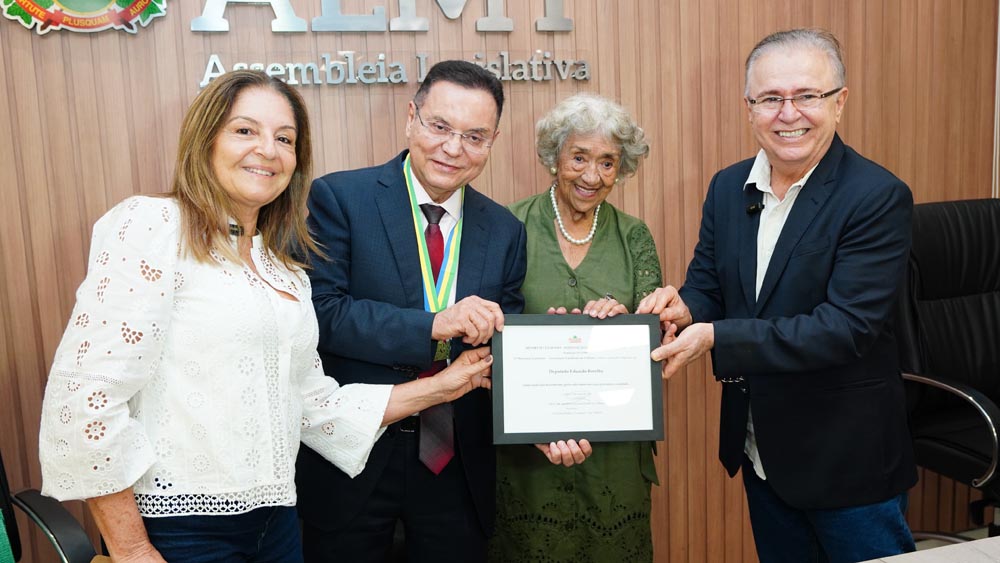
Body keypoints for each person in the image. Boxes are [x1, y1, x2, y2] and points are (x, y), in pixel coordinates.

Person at [37, 70, 494, 563]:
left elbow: (313, 407)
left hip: (277, 524)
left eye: (284, 138)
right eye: (244, 131)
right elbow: (86, 396)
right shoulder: (152, 226)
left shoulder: (283, 268)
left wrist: (445, 387)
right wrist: (130, 549)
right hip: (178, 529)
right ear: (205, 138)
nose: (268, 150)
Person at [637, 29, 917, 562]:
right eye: (770, 99)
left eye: (807, 95)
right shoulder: (727, 187)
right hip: (761, 448)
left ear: (840, 101)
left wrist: (714, 335)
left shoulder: (876, 197)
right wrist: (686, 306)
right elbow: (711, 286)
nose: (788, 114)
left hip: (847, 462)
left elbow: (845, 327)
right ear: (749, 108)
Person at [296, 60, 585, 563]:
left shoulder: (503, 230)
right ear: (412, 117)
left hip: (457, 465)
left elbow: (501, 348)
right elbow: (323, 314)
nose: (454, 148)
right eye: (440, 127)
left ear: (493, 140)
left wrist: (544, 409)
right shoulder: (342, 197)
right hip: (356, 458)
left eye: (474, 136)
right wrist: (432, 324)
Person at [489, 93, 661, 562]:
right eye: (579, 157)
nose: (591, 176)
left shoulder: (634, 236)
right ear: (554, 157)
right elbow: (483, 335)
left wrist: (626, 327)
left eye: (607, 163)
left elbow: (658, 341)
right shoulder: (507, 226)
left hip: (615, 459)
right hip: (529, 454)